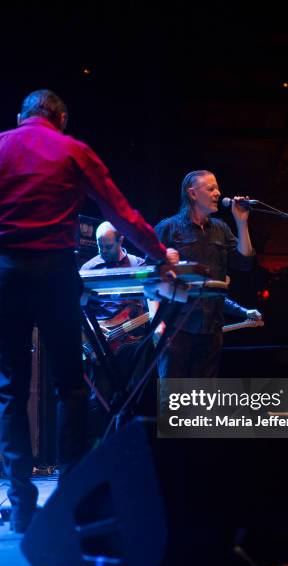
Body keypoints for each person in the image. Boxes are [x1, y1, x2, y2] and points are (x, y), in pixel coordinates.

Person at [0, 89, 178, 533]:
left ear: (22, 115)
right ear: (60, 118)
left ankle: (21, 508)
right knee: (70, 385)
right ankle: (71, 500)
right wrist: (159, 254)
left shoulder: (1, 144)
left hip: (5, 274)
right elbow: (119, 212)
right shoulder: (73, 149)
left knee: (10, 389)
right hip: (56, 272)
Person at [152, 169, 254, 378]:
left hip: (211, 326)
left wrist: (242, 222)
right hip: (176, 326)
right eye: (211, 188)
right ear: (193, 193)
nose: (218, 193)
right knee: (175, 398)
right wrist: (157, 321)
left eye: (217, 187)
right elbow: (152, 277)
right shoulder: (168, 228)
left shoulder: (221, 228)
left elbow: (244, 262)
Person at [80, 221, 151, 438]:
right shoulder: (89, 268)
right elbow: (77, 309)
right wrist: (91, 334)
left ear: (121, 240)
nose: (103, 252)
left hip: (133, 344)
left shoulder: (138, 265)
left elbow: (150, 302)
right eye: (100, 247)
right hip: (101, 342)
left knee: (133, 397)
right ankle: (98, 449)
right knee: (99, 399)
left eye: (108, 247)